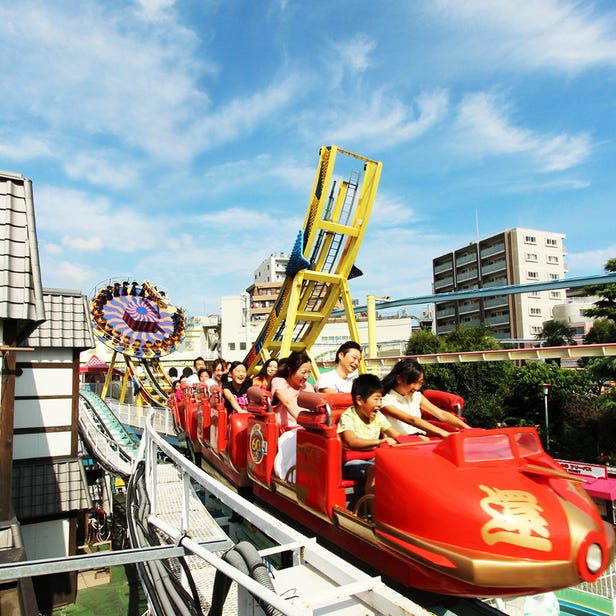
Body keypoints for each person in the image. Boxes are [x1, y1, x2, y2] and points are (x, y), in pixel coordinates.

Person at [338, 374, 400, 494]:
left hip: (372, 458)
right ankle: (372, 510)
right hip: (349, 462)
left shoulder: (378, 416)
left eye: (381, 399)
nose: (379, 403)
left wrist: (416, 439)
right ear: (360, 400)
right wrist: (379, 442)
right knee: (374, 469)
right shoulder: (348, 416)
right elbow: (352, 441)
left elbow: (396, 435)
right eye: (376, 399)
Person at [381, 359, 470, 438]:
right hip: (401, 442)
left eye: (420, 383)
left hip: (420, 438)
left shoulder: (416, 396)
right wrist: (443, 433)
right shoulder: (385, 400)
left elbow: (442, 414)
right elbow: (411, 420)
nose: (416, 387)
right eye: (413, 383)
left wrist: (468, 428)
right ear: (399, 379)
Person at [270, 351, 315, 428]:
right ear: (290, 370)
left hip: (305, 429)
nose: (306, 376)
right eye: (303, 372)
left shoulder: (308, 387)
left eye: (309, 372)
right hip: (287, 429)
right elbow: (287, 402)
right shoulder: (279, 381)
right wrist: (303, 423)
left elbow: (314, 407)